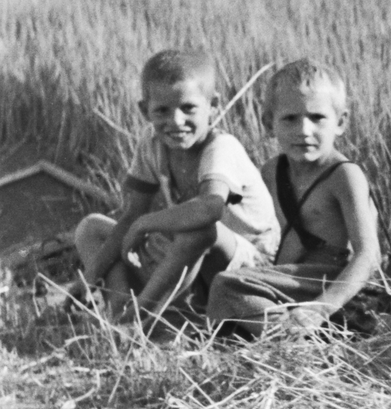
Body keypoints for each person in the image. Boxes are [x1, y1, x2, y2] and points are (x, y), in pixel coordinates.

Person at [74, 49, 278, 321]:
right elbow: (132, 214)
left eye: (188, 108)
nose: (176, 121)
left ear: (213, 104)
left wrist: (145, 225)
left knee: (199, 229)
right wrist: (91, 276)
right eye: (162, 111)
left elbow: (209, 210)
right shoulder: (152, 145)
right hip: (193, 257)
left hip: (249, 263)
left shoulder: (221, 147)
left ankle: (142, 318)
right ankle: (119, 311)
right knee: (92, 227)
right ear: (144, 111)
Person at [205, 59, 383, 338]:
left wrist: (320, 309)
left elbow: (369, 255)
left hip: (337, 291)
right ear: (268, 123)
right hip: (289, 283)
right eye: (290, 118)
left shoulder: (344, 176)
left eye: (317, 117)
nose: (304, 130)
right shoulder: (271, 172)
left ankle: (293, 347)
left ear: (341, 122)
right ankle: (286, 336)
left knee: (228, 286)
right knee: (218, 273)